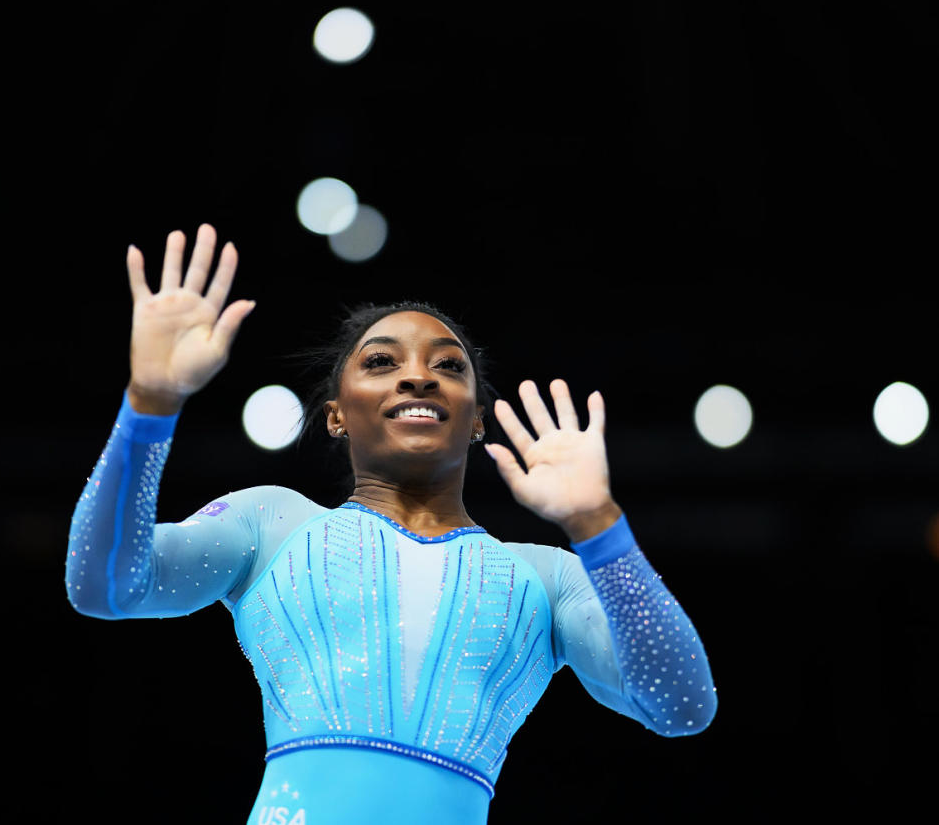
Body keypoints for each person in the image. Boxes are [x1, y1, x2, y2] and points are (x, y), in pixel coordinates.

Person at [66, 224, 717, 825]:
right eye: (380, 362)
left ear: (478, 418)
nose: (417, 376)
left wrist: (598, 526)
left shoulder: (549, 578)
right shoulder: (271, 523)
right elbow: (106, 587)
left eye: (449, 366)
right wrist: (150, 405)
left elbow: (680, 707)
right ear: (336, 415)